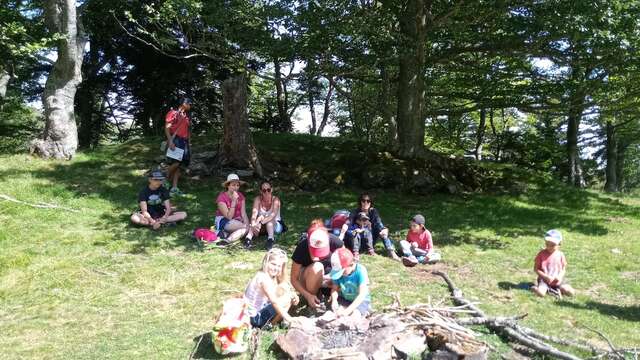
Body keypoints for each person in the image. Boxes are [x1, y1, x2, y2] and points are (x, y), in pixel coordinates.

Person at [290, 220, 344, 309]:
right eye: (315, 250)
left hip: (330, 280)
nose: (318, 257)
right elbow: (294, 279)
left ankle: (330, 296)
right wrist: (308, 296)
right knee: (317, 267)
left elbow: (347, 263)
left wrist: (335, 278)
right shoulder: (302, 247)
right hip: (308, 280)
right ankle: (312, 302)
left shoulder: (334, 241)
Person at [243, 248, 300, 328]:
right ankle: (270, 325)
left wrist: (291, 293)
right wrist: (289, 318)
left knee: (286, 292)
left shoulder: (263, 275)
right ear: (266, 263)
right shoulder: (264, 279)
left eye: (279, 266)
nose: (275, 268)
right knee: (287, 299)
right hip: (254, 318)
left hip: (251, 314)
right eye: (273, 264)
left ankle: (276, 322)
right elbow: (274, 302)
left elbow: (277, 291)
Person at [339, 193, 400, 261]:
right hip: (357, 241)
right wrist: (345, 226)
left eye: (368, 201)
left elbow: (378, 223)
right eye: (363, 201)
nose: (366, 203)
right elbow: (349, 222)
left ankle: (390, 251)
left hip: (369, 240)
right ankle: (356, 253)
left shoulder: (373, 212)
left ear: (371, 203)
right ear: (360, 202)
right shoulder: (355, 212)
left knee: (382, 231)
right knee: (356, 232)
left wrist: (383, 229)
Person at [531, 230, 575, 298]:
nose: (549, 247)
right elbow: (536, 269)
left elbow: (563, 269)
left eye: (552, 245)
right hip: (544, 280)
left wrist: (559, 276)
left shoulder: (561, 255)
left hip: (558, 280)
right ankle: (536, 289)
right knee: (541, 293)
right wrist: (545, 277)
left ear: (559, 244)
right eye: (547, 244)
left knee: (570, 292)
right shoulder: (541, 254)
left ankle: (556, 289)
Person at [329, 247, 372, 317]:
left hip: (361, 301)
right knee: (337, 312)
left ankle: (366, 310)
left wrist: (347, 311)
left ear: (351, 264)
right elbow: (334, 289)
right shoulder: (337, 270)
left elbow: (362, 295)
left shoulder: (360, 271)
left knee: (355, 315)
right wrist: (334, 300)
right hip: (345, 298)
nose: (341, 274)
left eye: (342, 272)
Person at [164, 98, 192, 197]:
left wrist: (189, 143)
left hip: (184, 142)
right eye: (189, 103)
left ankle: (174, 188)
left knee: (179, 165)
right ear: (183, 103)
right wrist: (171, 141)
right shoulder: (173, 113)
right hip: (176, 140)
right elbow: (167, 128)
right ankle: (165, 178)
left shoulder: (186, 116)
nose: (190, 105)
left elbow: (188, 131)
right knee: (176, 162)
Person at [215, 173, 251, 245]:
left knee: (245, 229)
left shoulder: (241, 196)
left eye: (237, 185)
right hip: (224, 220)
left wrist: (246, 223)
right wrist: (234, 201)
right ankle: (224, 232)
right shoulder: (221, 197)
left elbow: (243, 213)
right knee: (246, 227)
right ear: (228, 186)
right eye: (233, 185)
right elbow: (229, 217)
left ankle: (227, 240)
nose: (236, 187)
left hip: (237, 221)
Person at [247, 180, 283, 250]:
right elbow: (254, 214)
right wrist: (254, 224)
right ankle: (248, 238)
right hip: (262, 225)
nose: (266, 192)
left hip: (275, 225)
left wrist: (260, 223)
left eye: (268, 190)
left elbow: (273, 215)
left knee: (268, 221)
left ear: (271, 190)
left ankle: (270, 239)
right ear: (261, 191)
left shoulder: (276, 200)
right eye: (264, 190)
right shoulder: (257, 199)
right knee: (259, 217)